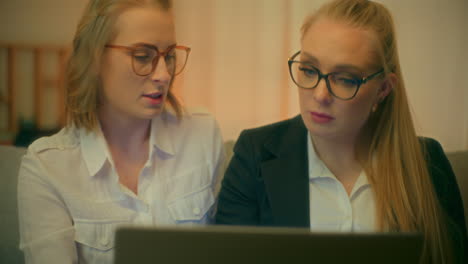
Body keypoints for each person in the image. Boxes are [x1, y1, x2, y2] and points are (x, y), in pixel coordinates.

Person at [215, 0, 466, 263]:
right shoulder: (254, 155)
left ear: (383, 89)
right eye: (309, 70)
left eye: (345, 79)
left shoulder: (427, 165)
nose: (320, 94)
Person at [17, 0, 225, 263]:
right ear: (94, 58)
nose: (163, 74)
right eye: (142, 56)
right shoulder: (47, 166)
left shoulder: (202, 134)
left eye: (169, 55)